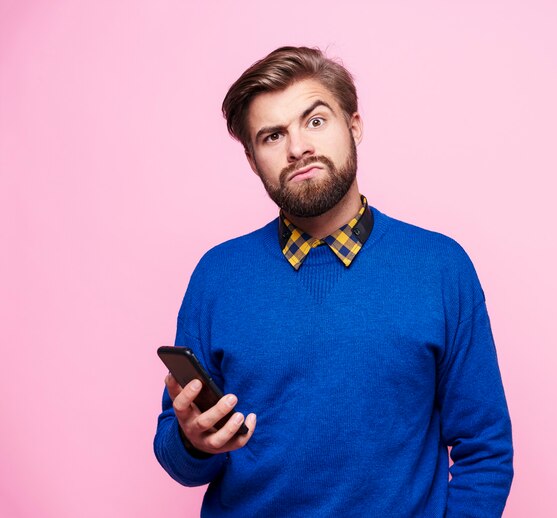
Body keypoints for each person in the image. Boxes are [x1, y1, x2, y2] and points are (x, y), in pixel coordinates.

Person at [154, 46, 513, 517]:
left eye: (315, 121)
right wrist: (194, 441)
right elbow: (179, 458)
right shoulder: (217, 275)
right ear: (251, 159)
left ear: (355, 125)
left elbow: (485, 449)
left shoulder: (440, 268)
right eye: (272, 135)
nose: (297, 147)